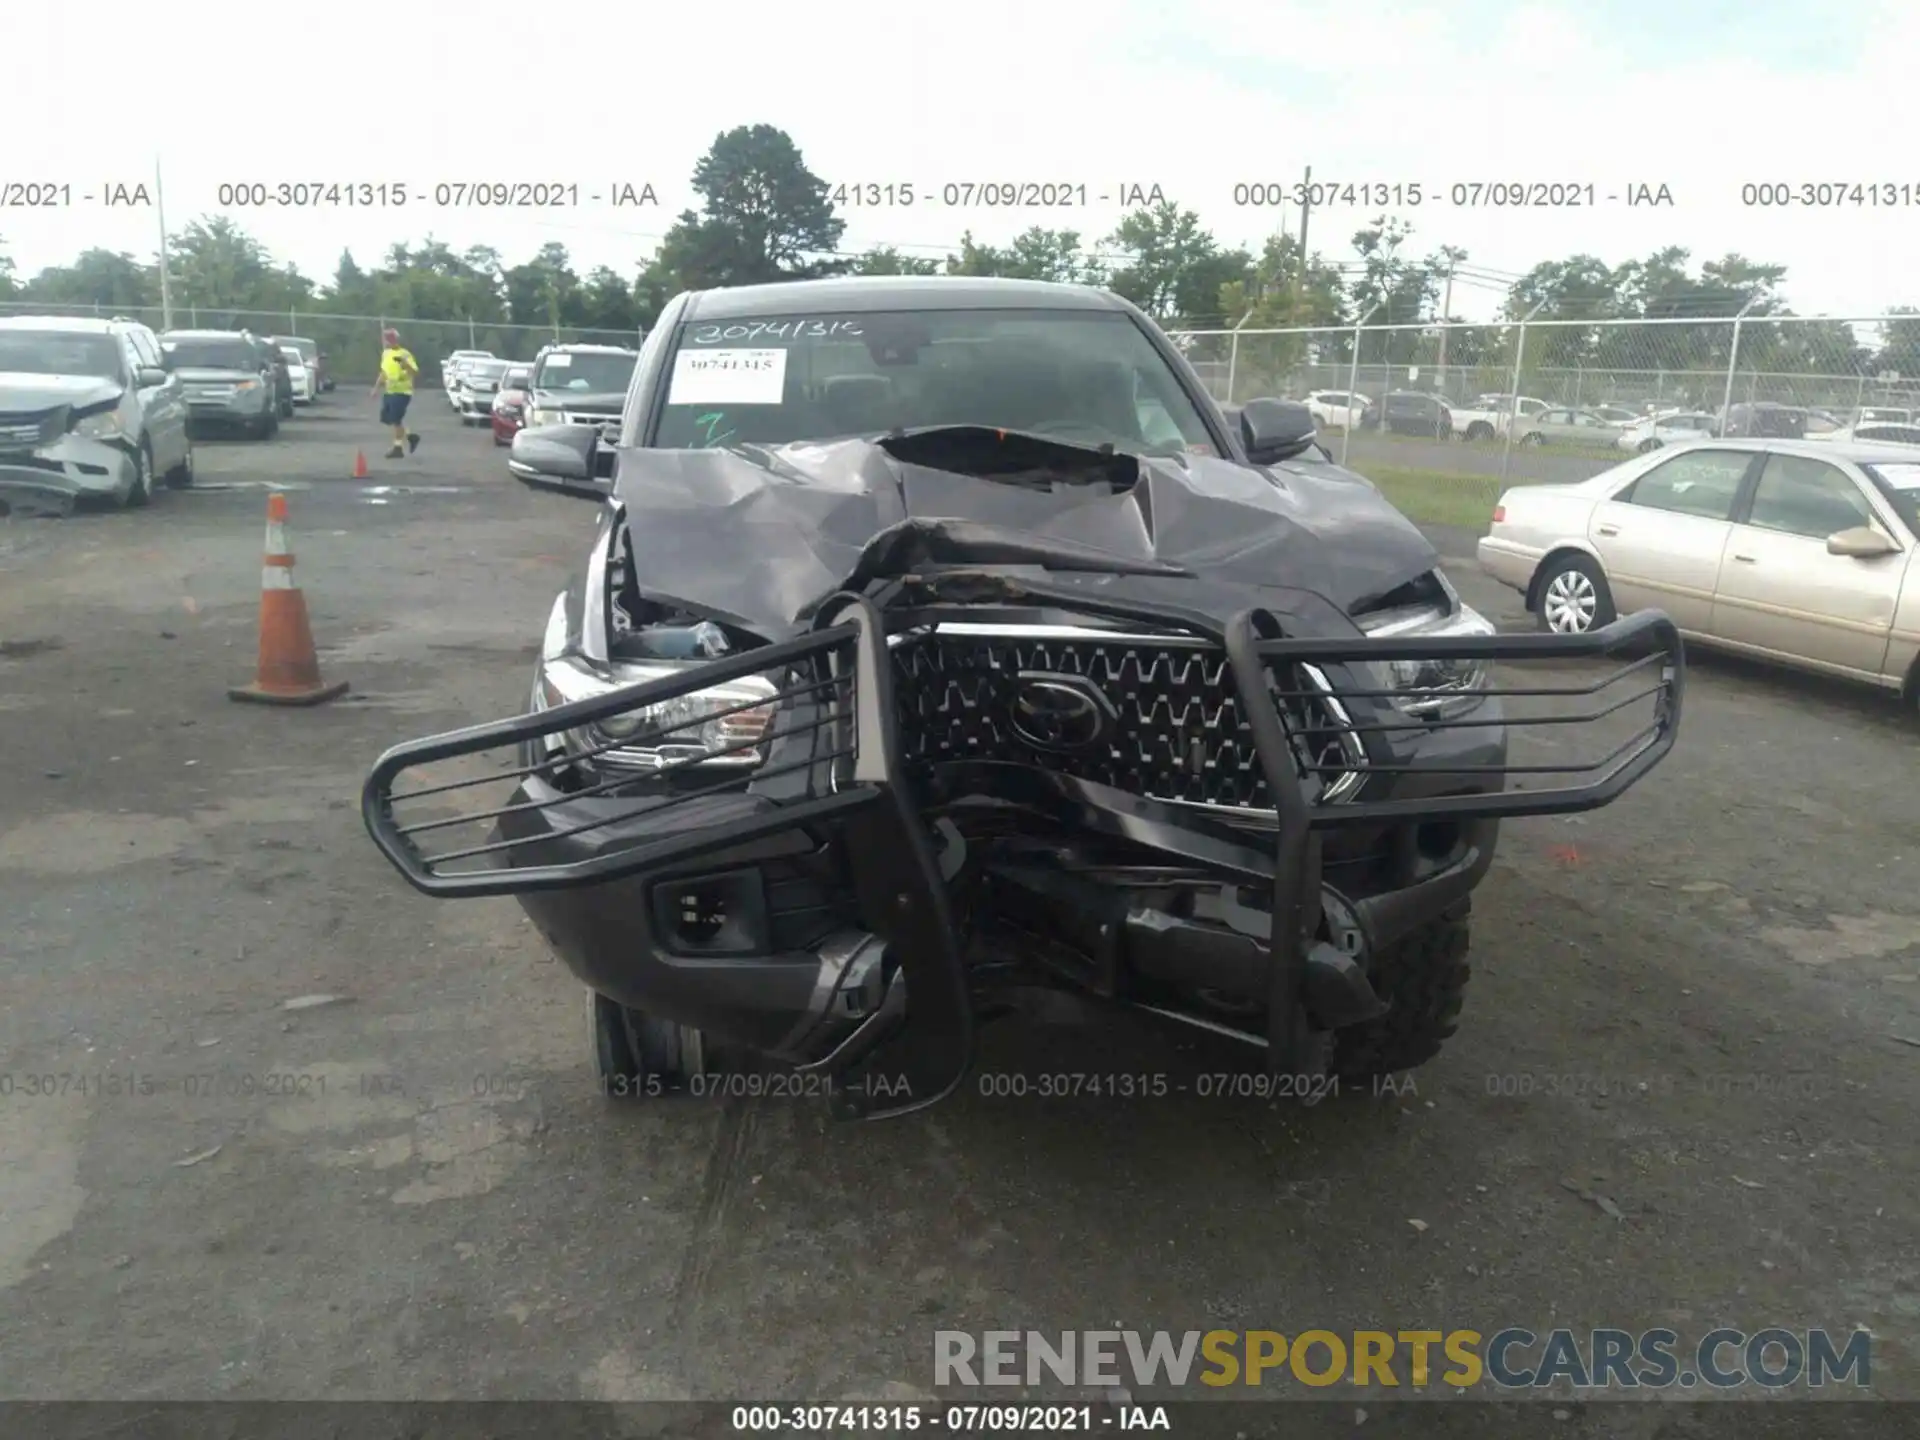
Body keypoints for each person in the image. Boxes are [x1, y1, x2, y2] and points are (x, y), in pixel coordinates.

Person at [370, 328, 421, 458]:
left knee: (396, 418)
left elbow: (415, 372)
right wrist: (376, 388)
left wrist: (405, 365)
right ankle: (410, 436)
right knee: (388, 418)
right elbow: (383, 372)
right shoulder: (385, 354)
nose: (386, 342)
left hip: (402, 392)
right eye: (385, 339)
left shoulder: (405, 354)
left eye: (388, 339)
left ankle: (397, 448)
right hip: (390, 391)